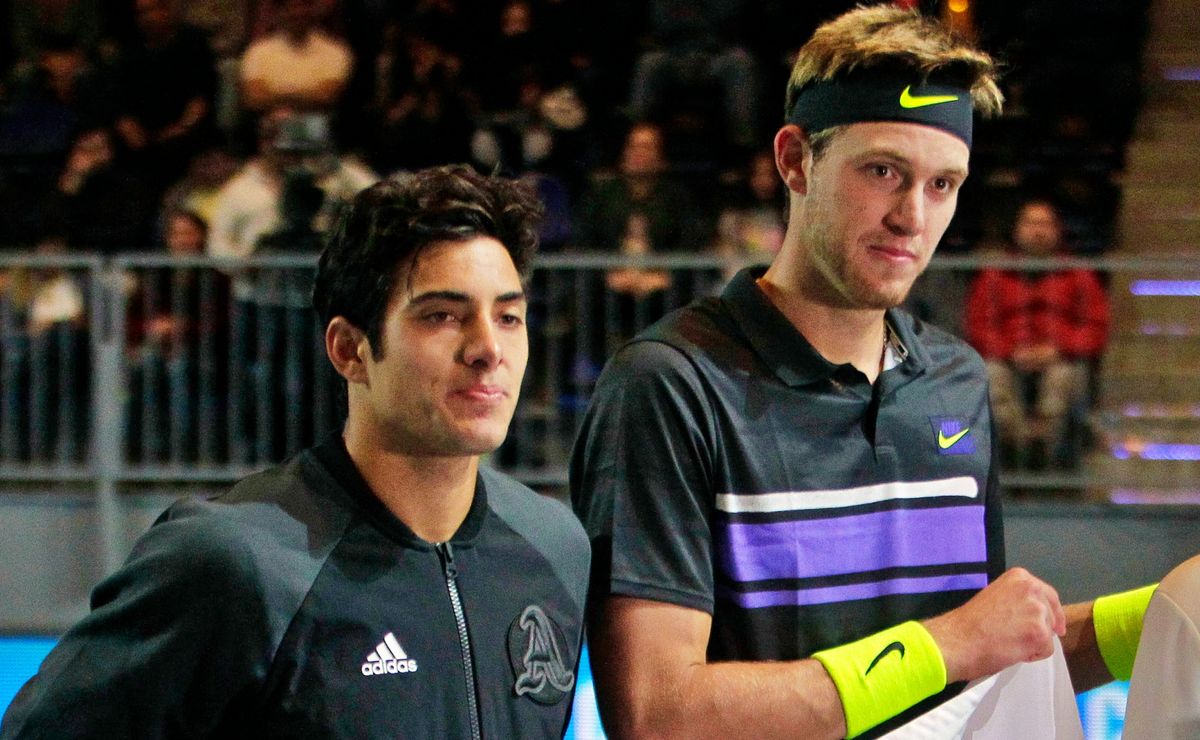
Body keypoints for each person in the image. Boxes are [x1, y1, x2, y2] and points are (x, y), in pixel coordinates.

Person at [570, 7, 1149, 738]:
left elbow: (982, 666)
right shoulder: (670, 386)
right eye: (883, 171)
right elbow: (657, 715)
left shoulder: (957, 381)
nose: (913, 215)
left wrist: (1163, 616)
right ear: (794, 160)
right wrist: (945, 644)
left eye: (943, 185)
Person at [1, 165, 591, 737]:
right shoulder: (231, 564)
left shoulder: (553, 549)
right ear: (349, 350)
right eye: (442, 316)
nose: (489, 348)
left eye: (509, 316)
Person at [964, 197, 1110, 469]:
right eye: (1031, 223)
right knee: (991, 374)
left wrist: (1058, 349)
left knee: (1063, 377)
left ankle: (1045, 453)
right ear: (1017, 229)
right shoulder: (994, 275)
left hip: (1061, 358)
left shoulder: (1079, 274)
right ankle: (1017, 448)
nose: (1038, 231)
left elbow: (1095, 328)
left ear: (1057, 231)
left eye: (1045, 224)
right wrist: (1012, 351)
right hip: (1007, 357)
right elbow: (978, 325)